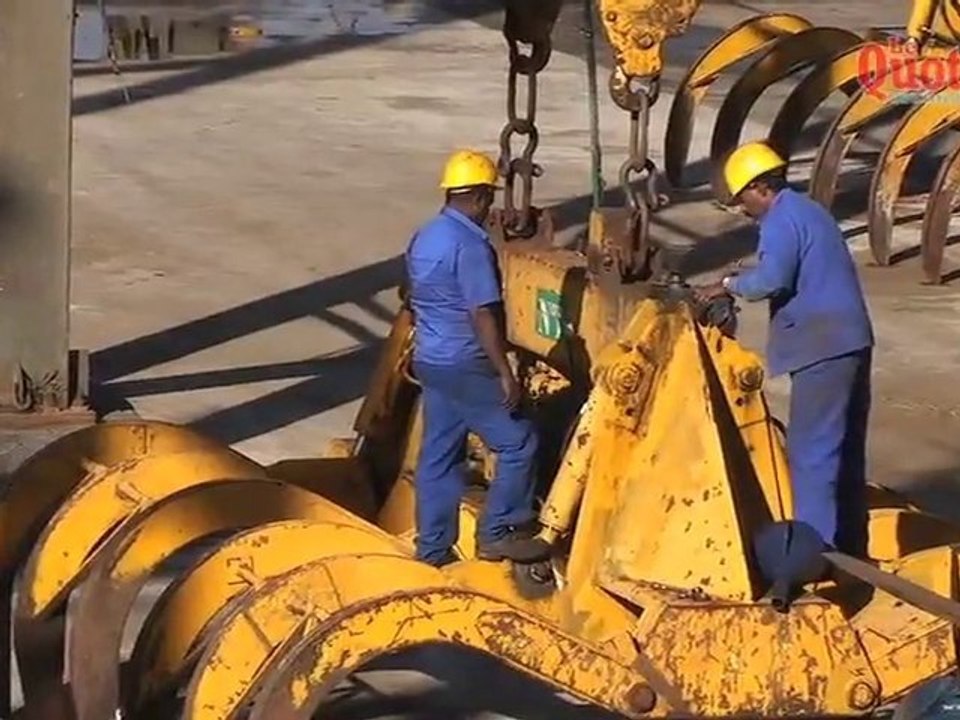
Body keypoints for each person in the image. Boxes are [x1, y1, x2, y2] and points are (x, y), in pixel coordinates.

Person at [695, 140, 875, 558]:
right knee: (846, 449)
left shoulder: (779, 221)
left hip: (821, 348)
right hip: (851, 341)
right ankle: (852, 550)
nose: (742, 209)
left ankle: (813, 556)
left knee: (811, 453)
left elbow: (771, 280)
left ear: (759, 187)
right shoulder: (809, 211)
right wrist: (739, 273)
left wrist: (726, 285)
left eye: (741, 198)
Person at [404, 149, 550, 567]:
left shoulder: (425, 236)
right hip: (465, 363)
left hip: (431, 361)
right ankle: (498, 531)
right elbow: (482, 312)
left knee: (440, 455)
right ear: (482, 196)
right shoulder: (469, 245)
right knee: (518, 443)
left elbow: (410, 292)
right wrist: (504, 372)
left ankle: (433, 550)